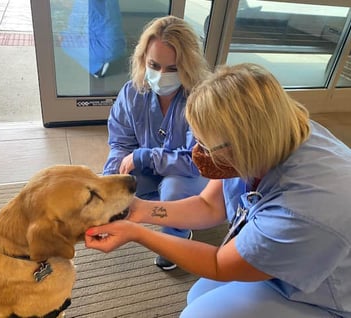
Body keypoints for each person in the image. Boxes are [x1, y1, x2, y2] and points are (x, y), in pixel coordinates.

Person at [86, 63, 351, 317]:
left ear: (244, 145)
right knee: (198, 295)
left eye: (204, 145)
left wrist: (136, 233)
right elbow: (209, 206)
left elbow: (218, 263)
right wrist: (139, 210)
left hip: (332, 295)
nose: (197, 153)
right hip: (291, 256)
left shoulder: (304, 209)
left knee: (199, 314)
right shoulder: (269, 136)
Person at [102, 16, 210, 270]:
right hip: (154, 167)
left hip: (191, 175)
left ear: (188, 66)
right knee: (117, 183)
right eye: (154, 65)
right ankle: (157, 203)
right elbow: (120, 143)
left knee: (173, 189)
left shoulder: (203, 99)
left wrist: (147, 157)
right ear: (143, 60)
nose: (162, 75)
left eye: (172, 69)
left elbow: (198, 161)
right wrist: (109, 185)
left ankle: (176, 238)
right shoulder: (132, 92)